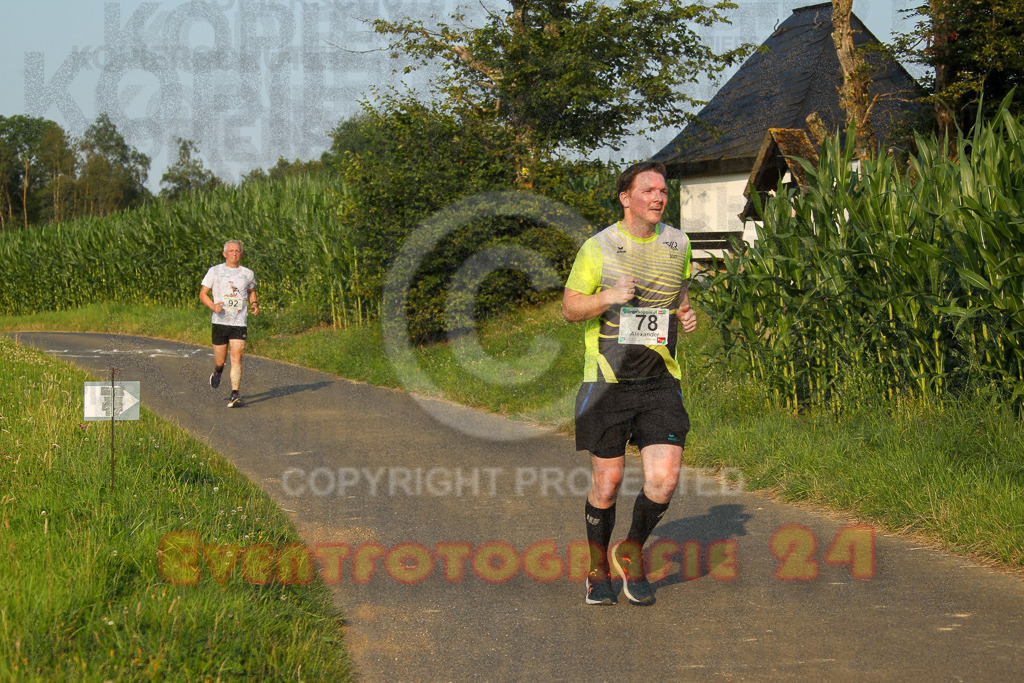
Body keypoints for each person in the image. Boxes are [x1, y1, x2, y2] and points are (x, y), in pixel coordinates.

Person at [562, 160, 697, 606]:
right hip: (607, 381)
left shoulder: (678, 243)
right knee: (608, 482)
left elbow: (678, 292)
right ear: (626, 198)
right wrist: (608, 297)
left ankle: (632, 550)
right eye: (649, 191)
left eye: (663, 190)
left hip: (660, 380)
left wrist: (685, 312)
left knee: (665, 479)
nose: (659, 197)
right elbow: (570, 308)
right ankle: (597, 566)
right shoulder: (598, 248)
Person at [200, 239, 258, 408]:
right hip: (220, 321)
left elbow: (251, 291)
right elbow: (203, 294)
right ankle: (218, 372)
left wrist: (254, 304)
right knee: (220, 360)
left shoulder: (247, 273)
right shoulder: (215, 271)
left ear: (241, 254)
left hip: (239, 321)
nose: (234, 253)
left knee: (237, 356)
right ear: (224, 254)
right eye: (231, 251)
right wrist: (213, 306)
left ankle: (235, 394)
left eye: (237, 251)